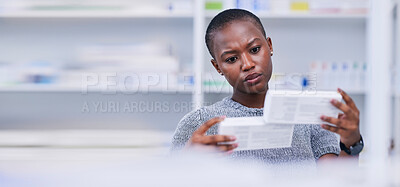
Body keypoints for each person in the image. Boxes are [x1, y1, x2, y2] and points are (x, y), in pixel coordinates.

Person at [170, 9, 362, 165]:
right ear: (217, 67)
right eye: (231, 59)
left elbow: (334, 180)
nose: (247, 64)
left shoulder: (309, 115)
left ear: (269, 46)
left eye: (254, 50)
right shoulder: (199, 124)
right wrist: (186, 162)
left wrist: (351, 141)